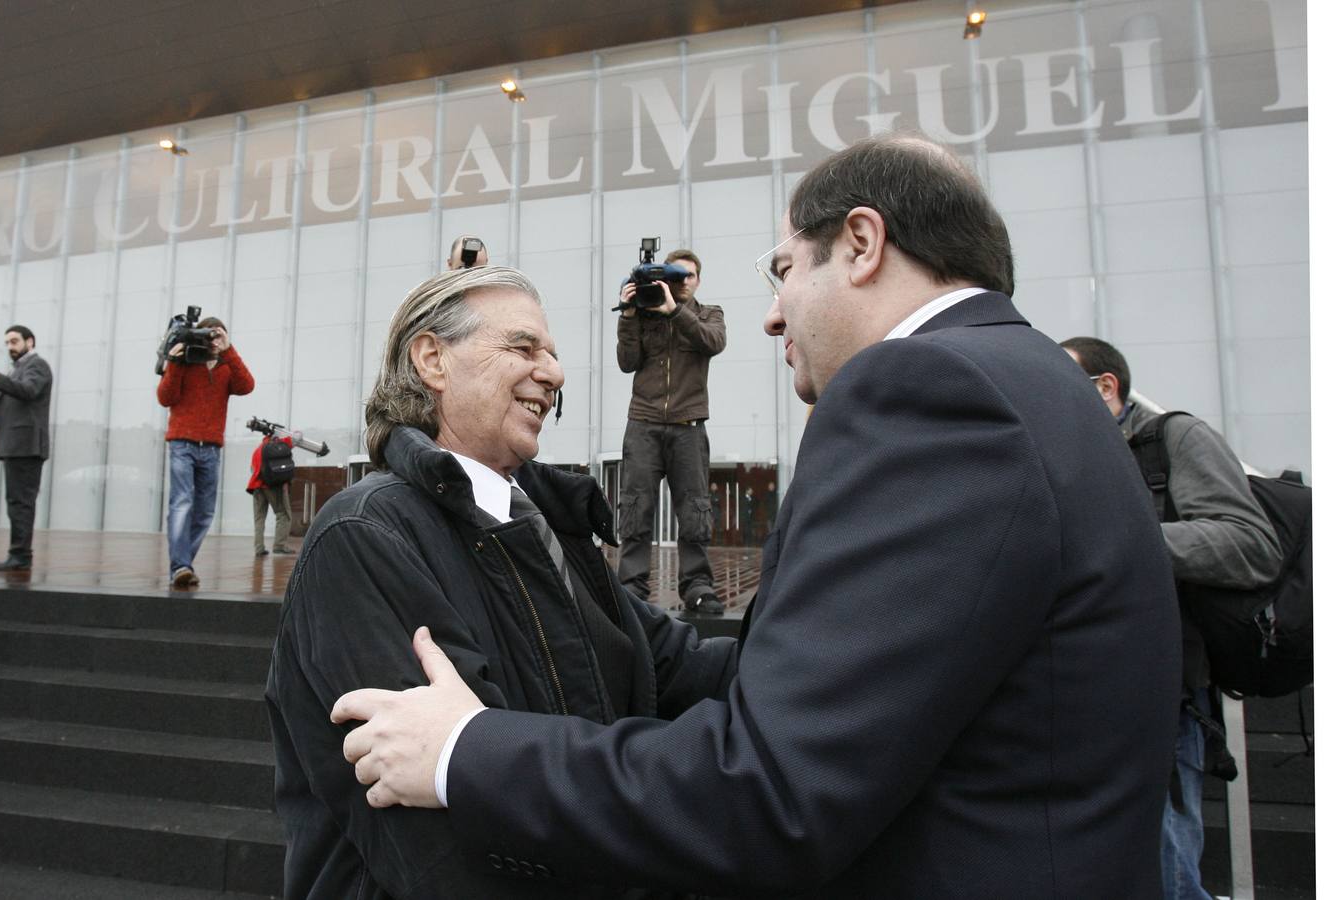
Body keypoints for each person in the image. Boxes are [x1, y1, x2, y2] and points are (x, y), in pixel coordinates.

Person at [331, 134, 1184, 898]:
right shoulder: (1034, 383)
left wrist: (463, 751)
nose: (775, 311)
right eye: (525, 347)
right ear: (430, 360)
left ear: (861, 243)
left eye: (782, 269)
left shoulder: (927, 391)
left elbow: (765, 788)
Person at [266, 266, 734, 899]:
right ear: (431, 358)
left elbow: (678, 667)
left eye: (553, 354)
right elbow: (438, 849)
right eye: (523, 347)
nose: (554, 372)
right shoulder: (366, 535)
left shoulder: (544, 525)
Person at [1061, 336, 1281, 900]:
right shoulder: (1070, 456)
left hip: (1164, 697)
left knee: (1165, 868)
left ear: (1104, 387)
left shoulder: (1172, 439)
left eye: (1064, 386)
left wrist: (1122, 542)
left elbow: (1250, 544)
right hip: (1079, 697)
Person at [615, 248, 727, 614]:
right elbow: (626, 362)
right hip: (643, 423)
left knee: (694, 510)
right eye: (675, 275)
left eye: (687, 276)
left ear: (697, 280)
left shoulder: (708, 314)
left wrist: (674, 311)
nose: (681, 282)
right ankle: (631, 586)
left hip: (688, 426)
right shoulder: (645, 313)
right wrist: (629, 314)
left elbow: (713, 342)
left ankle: (697, 586)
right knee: (635, 507)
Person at [155, 317, 253, 587]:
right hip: (182, 444)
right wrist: (174, 363)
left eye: (217, 335)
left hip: (211, 447)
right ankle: (181, 566)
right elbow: (165, 397)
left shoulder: (225, 366)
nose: (211, 341)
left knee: (205, 512)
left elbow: (247, 385)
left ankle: (182, 563)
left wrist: (228, 350)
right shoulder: (185, 361)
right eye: (207, 336)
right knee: (181, 504)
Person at [0, 325, 53, 572]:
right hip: (17, 446)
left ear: (30, 341)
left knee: (20, 503)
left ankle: (20, 555)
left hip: (25, 447)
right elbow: (20, 403)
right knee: (16, 502)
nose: (10, 347)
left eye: (14, 341)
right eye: (7, 343)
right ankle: (19, 554)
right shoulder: (18, 369)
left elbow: (28, 391)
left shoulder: (37, 365)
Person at [246, 431, 293, 558]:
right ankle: (280, 546)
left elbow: (252, 468)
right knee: (283, 514)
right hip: (273, 487)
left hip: (256, 486)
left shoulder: (258, 450)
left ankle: (259, 548)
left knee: (259, 518)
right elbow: (293, 440)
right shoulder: (278, 446)